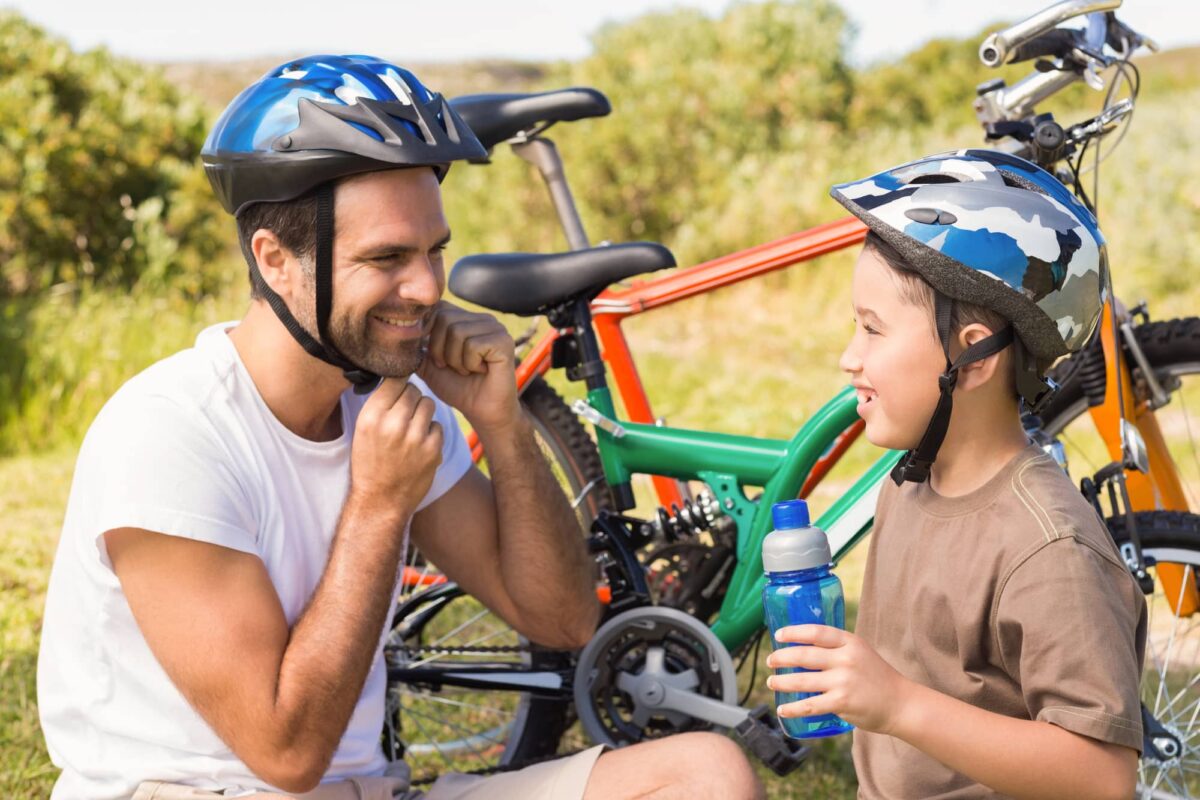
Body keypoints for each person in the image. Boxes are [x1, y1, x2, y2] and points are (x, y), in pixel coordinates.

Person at [37, 55, 762, 800]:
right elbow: (285, 754)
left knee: (706, 773)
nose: (426, 288)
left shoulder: (387, 407)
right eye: (387, 258)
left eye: (434, 250)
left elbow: (564, 618)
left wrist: (502, 422)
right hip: (194, 793)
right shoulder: (170, 434)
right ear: (276, 259)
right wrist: (380, 503)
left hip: (369, 793)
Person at [765, 150, 1147, 799]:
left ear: (971, 358)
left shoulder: (1047, 549)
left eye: (872, 330)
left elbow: (1102, 775)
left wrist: (898, 706)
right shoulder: (913, 477)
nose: (848, 357)